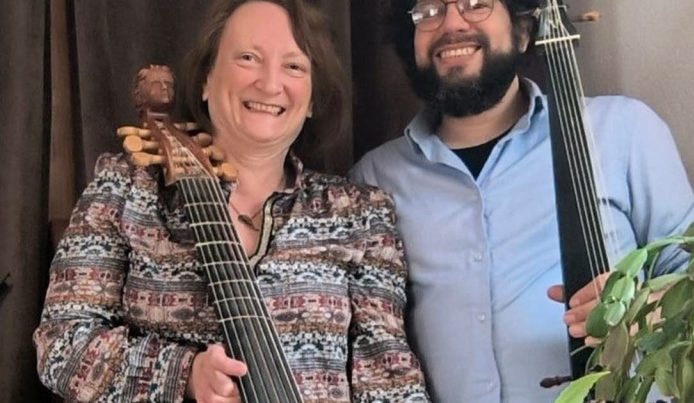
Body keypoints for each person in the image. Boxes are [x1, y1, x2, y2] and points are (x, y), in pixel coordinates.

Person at [33, 1, 429, 402]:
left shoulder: (358, 213)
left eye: (294, 66)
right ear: (206, 78)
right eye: (248, 58)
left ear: (311, 100)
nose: (270, 84)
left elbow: (389, 375)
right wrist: (183, 373)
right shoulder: (126, 188)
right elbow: (61, 343)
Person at [350, 0, 694, 401]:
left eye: (476, 4)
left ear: (521, 32)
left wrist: (646, 308)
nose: (451, 22)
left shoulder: (623, 131)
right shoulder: (373, 179)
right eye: (429, 10)